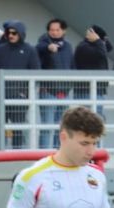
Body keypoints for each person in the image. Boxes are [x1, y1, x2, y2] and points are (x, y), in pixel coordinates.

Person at [0, 21, 39, 147]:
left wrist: (25, 93)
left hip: (20, 99)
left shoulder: (29, 50)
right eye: (9, 33)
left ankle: (18, 153)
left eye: (14, 33)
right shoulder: (0, 50)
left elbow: (35, 73)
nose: (11, 35)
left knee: (19, 130)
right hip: (0, 97)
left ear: (21, 34)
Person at [36, 19, 73, 149]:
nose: (54, 32)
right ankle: (44, 155)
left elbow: (72, 66)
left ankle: (60, 153)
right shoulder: (43, 43)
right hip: (48, 91)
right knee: (47, 127)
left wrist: (70, 86)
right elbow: (38, 49)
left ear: (63, 31)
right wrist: (48, 48)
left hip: (65, 92)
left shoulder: (68, 46)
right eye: (52, 30)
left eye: (57, 30)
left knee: (63, 128)